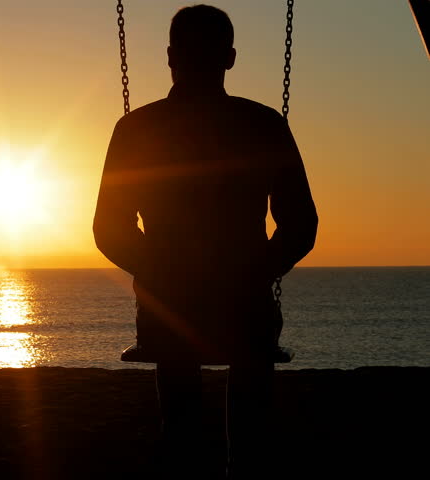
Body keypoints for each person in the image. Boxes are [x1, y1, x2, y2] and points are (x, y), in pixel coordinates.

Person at [93, 5, 317, 479]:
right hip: (245, 306)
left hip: (170, 308)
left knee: (181, 434)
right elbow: (301, 225)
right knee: (252, 438)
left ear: (170, 57)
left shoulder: (137, 129)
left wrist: (157, 269)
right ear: (230, 58)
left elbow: (108, 229)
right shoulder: (262, 124)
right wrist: (257, 270)